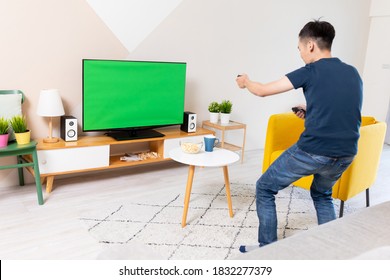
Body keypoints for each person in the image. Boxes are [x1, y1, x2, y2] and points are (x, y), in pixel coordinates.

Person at [236, 19, 363, 252]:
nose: (301, 54)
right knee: (322, 193)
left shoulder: (310, 70)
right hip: (346, 154)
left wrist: (246, 82)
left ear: (311, 46)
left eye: (300, 48)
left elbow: (262, 90)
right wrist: (311, 112)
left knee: (264, 187)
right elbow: (343, 109)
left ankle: (267, 249)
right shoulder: (352, 72)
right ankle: (332, 249)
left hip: (314, 150)